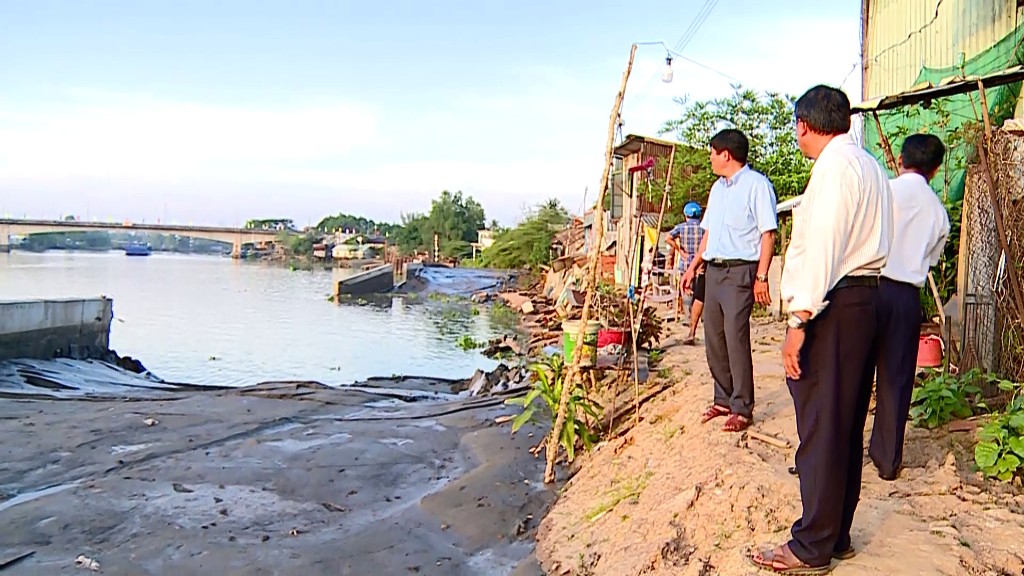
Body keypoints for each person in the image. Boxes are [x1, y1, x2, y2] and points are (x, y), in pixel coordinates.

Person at [749, 85, 893, 573]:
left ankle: (812, 544)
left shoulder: (834, 170)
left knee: (820, 424)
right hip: (868, 298)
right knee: (845, 424)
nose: (796, 136)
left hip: (837, 301)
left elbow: (824, 248)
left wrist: (798, 320)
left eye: (796, 128)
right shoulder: (870, 166)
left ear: (805, 125)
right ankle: (837, 535)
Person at [682, 129, 777, 433]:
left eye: (712, 151)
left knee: (735, 337)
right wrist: (693, 265)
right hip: (714, 271)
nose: (710, 157)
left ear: (726, 154)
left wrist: (761, 277)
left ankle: (742, 407)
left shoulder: (757, 185)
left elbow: (768, 234)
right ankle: (722, 398)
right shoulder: (717, 189)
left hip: (741, 271)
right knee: (713, 336)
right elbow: (708, 233)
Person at [869, 134, 949, 481]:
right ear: (935, 169)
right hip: (905, 297)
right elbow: (930, 260)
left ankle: (837, 454)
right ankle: (887, 459)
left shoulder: (883, 192)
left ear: (900, 159)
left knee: (852, 370)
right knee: (897, 377)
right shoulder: (938, 213)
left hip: (868, 287)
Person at [667, 201, 705, 345]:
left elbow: (668, 237)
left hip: (685, 265)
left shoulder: (681, 228)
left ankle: (689, 321)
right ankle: (696, 325)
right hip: (701, 265)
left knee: (687, 293)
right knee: (700, 296)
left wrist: (679, 250)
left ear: (686, 215)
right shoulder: (704, 228)